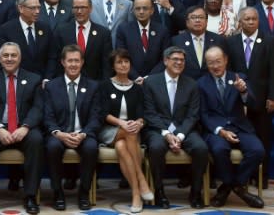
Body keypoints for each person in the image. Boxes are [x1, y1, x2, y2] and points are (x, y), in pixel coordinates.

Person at [0, 42, 44, 214]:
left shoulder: (34, 79)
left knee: (37, 140)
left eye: (13, 55)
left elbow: (38, 107)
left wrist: (26, 127)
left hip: (24, 127)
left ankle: (30, 196)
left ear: (20, 58)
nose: (9, 59)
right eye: (5, 55)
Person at [198, 46, 265, 209]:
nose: (215, 66)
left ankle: (231, 186)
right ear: (206, 64)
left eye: (218, 61)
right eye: (211, 63)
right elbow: (203, 114)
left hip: (240, 127)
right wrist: (220, 131)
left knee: (257, 150)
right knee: (219, 150)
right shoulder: (200, 84)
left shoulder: (239, 78)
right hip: (216, 130)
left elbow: (254, 104)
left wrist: (244, 92)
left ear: (226, 60)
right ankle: (237, 188)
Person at [143, 46, 208, 209]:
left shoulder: (191, 84)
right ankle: (159, 191)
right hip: (158, 129)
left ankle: (195, 192)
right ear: (165, 61)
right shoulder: (151, 82)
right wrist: (166, 133)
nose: (179, 63)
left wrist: (179, 135)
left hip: (184, 129)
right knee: (156, 147)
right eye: (175, 59)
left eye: (182, 60)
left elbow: (193, 115)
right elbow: (149, 113)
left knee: (201, 148)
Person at [227, 7, 274, 188]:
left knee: (263, 139)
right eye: (247, 19)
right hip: (238, 101)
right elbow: (229, 71)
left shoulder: (270, 41)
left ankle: (261, 177)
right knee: (240, 139)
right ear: (240, 22)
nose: (251, 22)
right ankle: (242, 177)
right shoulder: (231, 42)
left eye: (254, 19)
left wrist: (273, 97)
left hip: (263, 101)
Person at [44, 45, 100, 211]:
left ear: (82, 62)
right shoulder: (52, 86)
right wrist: (59, 133)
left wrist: (83, 134)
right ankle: (57, 193)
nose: (73, 64)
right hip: (59, 134)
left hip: (83, 133)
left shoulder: (93, 86)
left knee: (91, 148)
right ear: (63, 62)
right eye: (70, 61)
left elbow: (96, 117)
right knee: (52, 147)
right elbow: (47, 116)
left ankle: (83, 193)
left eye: (77, 60)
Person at [97, 49, 152, 213]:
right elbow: (102, 113)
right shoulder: (105, 85)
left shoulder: (137, 88)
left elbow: (143, 114)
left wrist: (139, 123)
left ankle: (136, 193)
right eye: (119, 62)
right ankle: (141, 179)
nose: (123, 65)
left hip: (131, 131)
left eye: (126, 61)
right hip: (109, 129)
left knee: (122, 147)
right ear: (113, 66)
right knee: (129, 132)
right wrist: (122, 123)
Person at [0, 0, 56, 79]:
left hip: (42, 81)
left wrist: (47, 78)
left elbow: (52, 57)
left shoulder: (45, 28)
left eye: (38, 7)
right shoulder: (7, 29)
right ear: (21, 8)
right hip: (17, 81)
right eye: (33, 8)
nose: (37, 11)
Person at [53, 0, 112, 81]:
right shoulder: (61, 31)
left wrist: (104, 86)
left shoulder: (103, 33)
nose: (79, 11)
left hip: (95, 85)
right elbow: (56, 60)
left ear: (90, 9)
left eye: (83, 7)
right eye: (76, 8)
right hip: (67, 84)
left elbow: (107, 64)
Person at [115, 0, 170, 80]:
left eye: (145, 8)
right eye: (138, 8)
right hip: (130, 79)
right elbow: (121, 57)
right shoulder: (124, 30)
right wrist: (136, 77)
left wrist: (149, 78)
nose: (141, 11)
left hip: (155, 80)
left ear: (152, 10)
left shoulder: (162, 30)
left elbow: (165, 58)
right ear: (133, 10)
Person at [172, 6, 227, 79]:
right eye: (193, 17)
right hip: (186, 85)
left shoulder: (219, 40)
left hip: (212, 84)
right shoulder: (176, 41)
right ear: (187, 22)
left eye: (201, 17)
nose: (197, 20)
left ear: (207, 21)